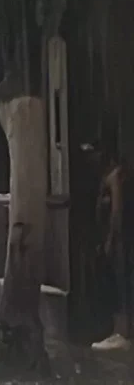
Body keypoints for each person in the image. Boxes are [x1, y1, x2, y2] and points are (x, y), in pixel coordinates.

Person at [89, 143, 132, 351]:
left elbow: (116, 211)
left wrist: (112, 239)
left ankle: (122, 332)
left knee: (119, 281)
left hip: (117, 240)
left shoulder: (115, 177)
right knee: (112, 282)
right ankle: (118, 329)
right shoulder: (105, 178)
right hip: (108, 236)